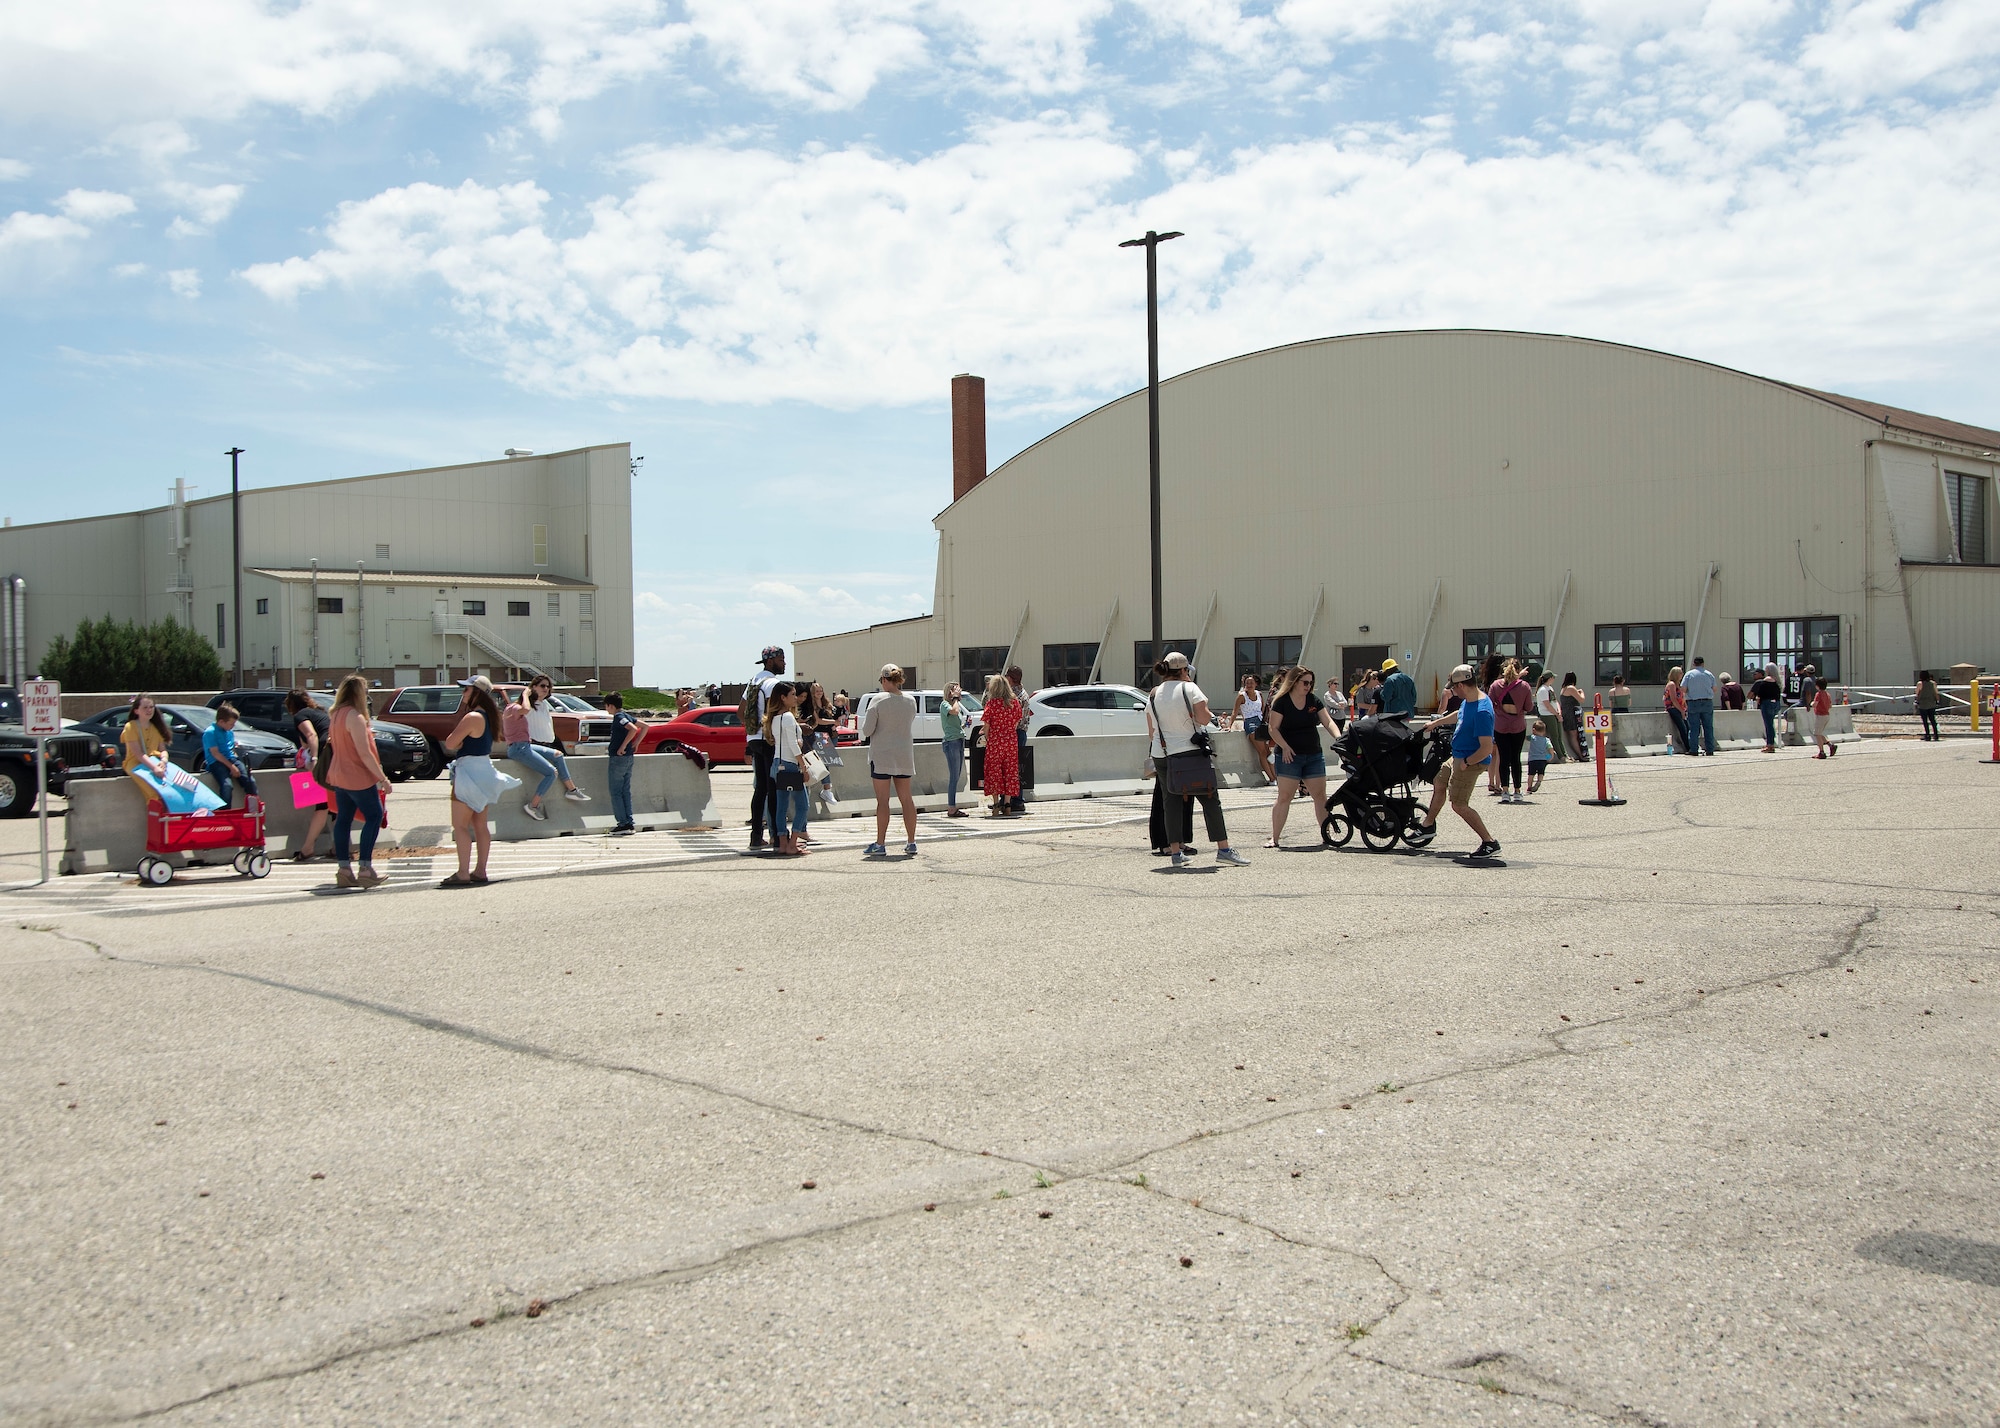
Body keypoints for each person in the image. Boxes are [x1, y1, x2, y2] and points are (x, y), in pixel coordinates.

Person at [1144, 651, 1247, 869]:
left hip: (1161, 752)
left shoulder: (1154, 693)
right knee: (1210, 798)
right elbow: (1202, 717)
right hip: (1188, 751)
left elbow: (1151, 729)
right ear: (1184, 670)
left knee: (1170, 801)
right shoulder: (1189, 688)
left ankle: (1175, 852)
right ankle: (1224, 849)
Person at [1414, 665, 1500, 858]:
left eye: (1453, 688)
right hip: (1458, 755)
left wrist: (1467, 762)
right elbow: (1459, 715)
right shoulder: (1469, 701)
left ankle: (1489, 842)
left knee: (1459, 805)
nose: (1452, 692)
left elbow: (1486, 747)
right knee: (1439, 781)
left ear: (1461, 685)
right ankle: (1428, 826)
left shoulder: (1482, 711)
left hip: (1470, 760)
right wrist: (1435, 723)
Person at [439, 677, 518, 887]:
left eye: (466, 689)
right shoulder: (491, 717)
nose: (463, 693)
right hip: (485, 770)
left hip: (468, 772)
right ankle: (480, 870)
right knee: (480, 825)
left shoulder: (472, 716)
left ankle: (463, 872)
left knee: (460, 825)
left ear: (477, 693)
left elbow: (450, 743)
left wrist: (460, 740)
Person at [326, 673, 389, 890]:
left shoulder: (335, 715)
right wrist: (383, 778)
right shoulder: (355, 717)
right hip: (357, 776)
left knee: (343, 819)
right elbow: (364, 754)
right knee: (374, 816)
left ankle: (344, 869)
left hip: (338, 774)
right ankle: (365, 868)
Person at [1265, 667, 1340, 847]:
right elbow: (1273, 728)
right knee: (1285, 796)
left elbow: (1328, 721)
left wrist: (1339, 737)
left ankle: (1326, 835)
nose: (1308, 686)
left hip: (1313, 754)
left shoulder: (1313, 700)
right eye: (1305, 682)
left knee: (1320, 796)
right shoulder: (1282, 702)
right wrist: (1285, 746)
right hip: (1289, 756)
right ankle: (1274, 838)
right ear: (1294, 682)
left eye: (1310, 683)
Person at [506, 677, 588, 821]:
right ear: (533, 688)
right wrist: (526, 694)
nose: (546, 689)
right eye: (542, 686)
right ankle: (533, 805)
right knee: (551, 773)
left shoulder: (541, 705)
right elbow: (525, 709)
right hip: (521, 747)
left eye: (548, 686)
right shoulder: (515, 708)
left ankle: (572, 790)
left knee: (558, 755)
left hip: (527, 745)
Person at [861, 664, 919, 856]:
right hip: (904, 754)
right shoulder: (910, 701)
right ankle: (911, 841)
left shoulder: (878, 700)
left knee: (883, 801)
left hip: (882, 755)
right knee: (906, 799)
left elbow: (867, 730)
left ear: (885, 680)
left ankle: (880, 843)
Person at [744, 645, 787, 849]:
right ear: (770, 661)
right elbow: (775, 712)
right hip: (769, 739)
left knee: (760, 788)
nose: (784, 663)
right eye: (781, 659)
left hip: (753, 738)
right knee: (774, 789)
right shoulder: (772, 683)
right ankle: (777, 836)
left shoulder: (753, 681)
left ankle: (755, 836)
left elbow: (740, 712)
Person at [766, 683, 811, 856]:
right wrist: (803, 765)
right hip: (791, 763)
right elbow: (793, 744)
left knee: (781, 806)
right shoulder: (788, 717)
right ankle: (793, 844)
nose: (795, 698)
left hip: (777, 763)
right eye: (792, 694)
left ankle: (783, 843)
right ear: (783, 698)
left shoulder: (774, 717)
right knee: (803, 806)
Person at [286, 689, 331, 860]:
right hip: (335, 752)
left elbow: (311, 735)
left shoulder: (300, 716)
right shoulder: (319, 712)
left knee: (322, 804)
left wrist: (314, 758)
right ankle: (338, 847)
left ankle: (307, 848)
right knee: (333, 804)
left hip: (324, 754)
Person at [1488, 658, 1535, 804]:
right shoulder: (1525, 686)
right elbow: (1528, 707)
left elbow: (1489, 703)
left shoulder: (1495, 685)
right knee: (1516, 758)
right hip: (1517, 725)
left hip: (1500, 725)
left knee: (1503, 758)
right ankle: (1517, 790)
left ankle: (1505, 791)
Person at [979, 674, 1022, 816]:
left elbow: (986, 725)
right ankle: (1008, 804)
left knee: (994, 772)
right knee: (1010, 771)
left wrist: (988, 737)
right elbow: (1016, 723)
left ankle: (996, 804)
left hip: (995, 742)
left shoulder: (991, 704)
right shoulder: (1014, 703)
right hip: (1010, 742)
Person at [202, 703, 258, 809]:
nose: (232, 726)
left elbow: (231, 749)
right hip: (216, 762)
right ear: (221, 721)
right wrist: (231, 767)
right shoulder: (210, 732)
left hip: (231, 758)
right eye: (231, 724)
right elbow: (215, 753)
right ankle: (225, 813)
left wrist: (239, 764)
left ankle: (254, 810)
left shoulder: (229, 732)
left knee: (250, 781)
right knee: (227, 786)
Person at [120, 694, 173, 800]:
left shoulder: (156, 727)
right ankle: (154, 814)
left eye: (151, 707)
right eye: (145, 707)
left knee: (169, 790)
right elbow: (137, 753)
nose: (149, 710)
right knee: (153, 792)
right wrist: (154, 768)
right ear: (136, 711)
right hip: (135, 764)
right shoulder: (130, 727)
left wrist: (163, 761)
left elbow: (163, 750)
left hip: (155, 762)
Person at [605, 691, 639, 834]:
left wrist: (623, 746)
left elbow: (633, 728)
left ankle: (623, 823)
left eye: (606, 706)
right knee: (625, 791)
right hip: (628, 758)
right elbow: (643, 727)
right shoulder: (626, 715)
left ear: (610, 706)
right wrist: (636, 743)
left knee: (616, 792)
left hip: (618, 759)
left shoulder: (619, 717)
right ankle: (629, 822)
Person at [1233, 674, 1276, 784]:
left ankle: (1275, 776)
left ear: (1256, 684)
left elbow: (1262, 710)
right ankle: (1271, 778)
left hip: (1261, 722)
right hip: (1250, 723)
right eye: (1247, 683)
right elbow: (1235, 711)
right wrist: (1229, 726)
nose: (1249, 685)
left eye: (1251, 683)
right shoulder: (1242, 696)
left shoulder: (1259, 694)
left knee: (1268, 751)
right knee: (1261, 752)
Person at [940, 681, 969, 818]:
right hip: (951, 743)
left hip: (958, 740)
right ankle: (951, 807)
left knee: (957, 776)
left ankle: (953, 806)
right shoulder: (945, 704)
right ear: (950, 692)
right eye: (956, 691)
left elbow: (954, 723)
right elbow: (954, 711)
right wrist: (956, 699)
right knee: (953, 776)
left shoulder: (955, 705)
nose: (959, 693)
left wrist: (964, 725)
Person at [1004, 665, 1031, 814]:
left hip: (1016, 732)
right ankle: (1009, 799)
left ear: (1011, 678)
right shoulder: (1022, 692)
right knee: (1015, 766)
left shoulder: (1015, 695)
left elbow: (1013, 716)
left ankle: (1017, 800)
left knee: (1014, 767)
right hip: (1019, 732)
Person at [1681, 656, 1719, 756]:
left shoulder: (1689, 674)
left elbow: (1683, 689)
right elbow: (1715, 689)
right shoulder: (1709, 674)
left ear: (1694, 664)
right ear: (1703, 663)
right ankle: (1710, 749)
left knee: (1694, 727)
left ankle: (1693, 749)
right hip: (1707, 702)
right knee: (1708, 727)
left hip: (1693, 702)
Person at [1750, 664, 1783, 752]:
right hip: (1776, 703)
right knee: (1771, 724)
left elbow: (1760, 694)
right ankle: (1771, 743)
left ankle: (1770, 744)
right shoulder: (1777, 681)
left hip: (1767, 703)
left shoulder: (1766, 680)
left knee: (1768, 725)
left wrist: (1758, 702)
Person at [1535, 673, 1567, 762]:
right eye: (1553, 678)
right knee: (1554, 736)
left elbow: (1555, 701)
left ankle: (1565, 754)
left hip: (1554, 713)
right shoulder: (1542, 690)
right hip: (1547, 715)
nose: (1554, 679)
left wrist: (1559, 712)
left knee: (1559, 735)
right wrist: (1556, 714)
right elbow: (1547, 705)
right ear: (1549, 678)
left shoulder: (1550, 689)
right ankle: (1561, 756)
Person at [1559, 673, 1587, 763]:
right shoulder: (1571, 688)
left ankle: (1579, 754)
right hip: (1572, 714)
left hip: (1566, 713)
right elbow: (1581, 699)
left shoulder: (1563, 689)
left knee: (1572, 735)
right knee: (1574, 735)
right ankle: (1580, 755)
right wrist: (1582, 692)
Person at [1662, 666, 1689, 754]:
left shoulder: (1678, 685)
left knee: (1688, 727)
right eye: (1680, 673)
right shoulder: (1672, 684)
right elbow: (1673, 699)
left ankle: (1691, 745)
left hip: (1680, 708)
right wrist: (1681, 710)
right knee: (1683, 728)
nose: (1682, 675)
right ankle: (1688, 747)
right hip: (1673, 708)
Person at [1811, 677, 1836, 759]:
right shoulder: (1827, 694)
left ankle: (1821, 752)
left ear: (1817, 686)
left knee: (1817, 734)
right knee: (1819, 732)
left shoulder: (1818, 694)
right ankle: (1830, 745)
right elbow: (1830, 705)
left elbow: (1815, 704)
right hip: (1826, 715)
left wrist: (1812, 703)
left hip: (1820, 715)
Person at [1527, 719, 1552, 794]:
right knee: (1541, 773)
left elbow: (1524, 738)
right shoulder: (1546, 740)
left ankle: (1529, 788)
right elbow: (1551, 749)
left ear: (1534, 730)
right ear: (1544, 731)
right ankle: (1539, 781)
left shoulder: (1532, 738)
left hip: (1532, 759)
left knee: (1531, 774)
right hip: (1542, 759)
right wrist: (1550, 757)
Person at [1916, 670, 1942, 741]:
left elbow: (1917, 693)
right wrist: (1937, 700)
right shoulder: (1933, 683)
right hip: (1931, 703)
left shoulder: (1920, 683)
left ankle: (1927, 735)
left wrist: (1917, 701)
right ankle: (1936, 734)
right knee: (1933, 720)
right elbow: (1936, 693)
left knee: (1925, 720)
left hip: (1923, 704)